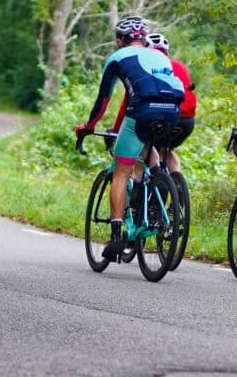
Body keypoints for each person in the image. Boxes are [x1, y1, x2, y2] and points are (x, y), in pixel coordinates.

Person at [76, 16, 184, 262]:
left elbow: (103, 102)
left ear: (119, 40)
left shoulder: (117, 58)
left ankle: (116, 237)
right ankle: (158, 200)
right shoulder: (160, 56)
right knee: (148, 149)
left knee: (121, 172)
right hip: (174, 112)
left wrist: (87, 127)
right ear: (143, 39)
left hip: (143, 110)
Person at [111, 32, 196, 172]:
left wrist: (116, 131)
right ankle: (178, 186)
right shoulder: (180, 66)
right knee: (168, 150)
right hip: (187, 121)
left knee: (142, 145)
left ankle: (155, 175)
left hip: (160, 116)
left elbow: (127, 104)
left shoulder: (144, 67)